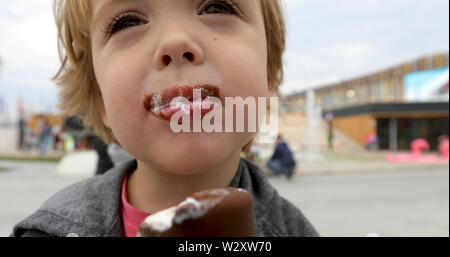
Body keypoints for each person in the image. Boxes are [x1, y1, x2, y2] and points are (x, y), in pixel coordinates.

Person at [12, 0, 318, 237]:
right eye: (128, 21)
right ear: (101, 97)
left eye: (216, 6)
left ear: (268, 77)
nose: (175, 42)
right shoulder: (48, 230)